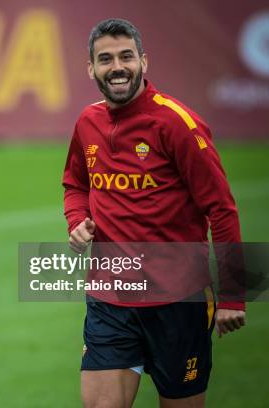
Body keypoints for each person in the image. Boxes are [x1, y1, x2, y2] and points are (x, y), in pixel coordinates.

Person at [62, 18, 246, 408]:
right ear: (90, 68)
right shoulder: (87, 122)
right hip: (110, 298)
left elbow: (222, 210)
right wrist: (77, 221)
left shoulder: (177, 124)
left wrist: (232, 296)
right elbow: (76, 184)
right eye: (106, 58)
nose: (117, 67)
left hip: (178, 301)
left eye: (126, 56)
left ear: (144, 62)